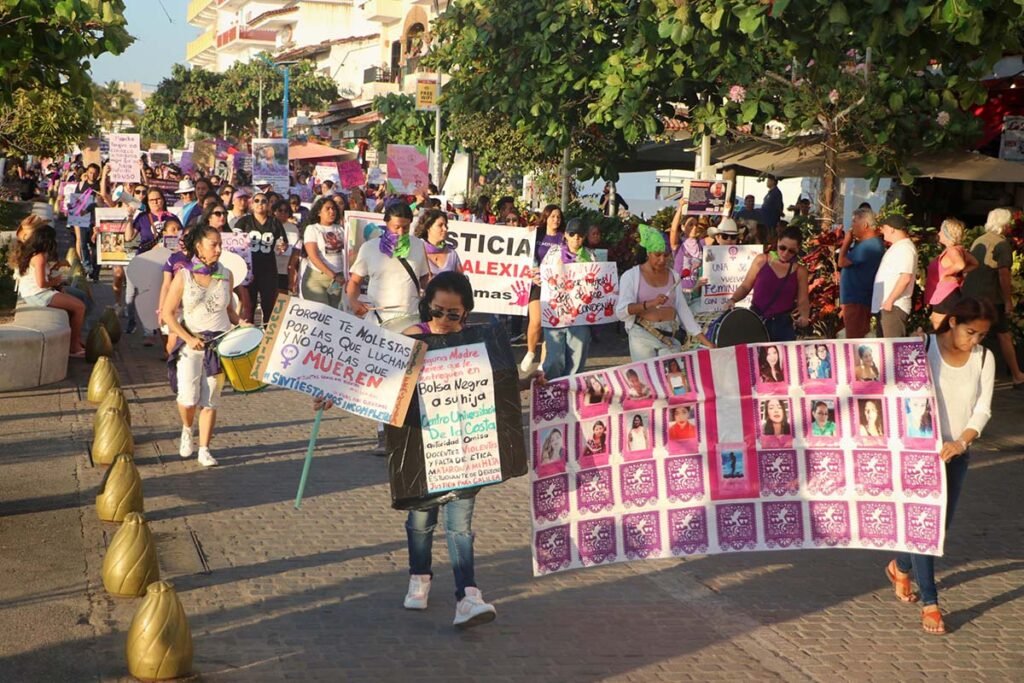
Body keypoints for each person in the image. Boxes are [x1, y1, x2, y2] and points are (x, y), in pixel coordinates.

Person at [396, 271, 541, 628]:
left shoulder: (480, 343)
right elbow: (375, 384)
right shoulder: (412, 339)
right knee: (421, 519)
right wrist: (332, 395)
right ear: (427, 306)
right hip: (422, 447)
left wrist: (527, 382)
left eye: (453, 314)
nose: (443, 320)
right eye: (437, 311)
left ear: (467, 312)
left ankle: (468, 596)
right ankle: (420, 575)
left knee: (460, 525)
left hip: (468, 449)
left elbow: (501, 385)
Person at [886, 297, 996, 635]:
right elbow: (889, 383)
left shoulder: (984, 358)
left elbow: (983, 409)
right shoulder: (924, 346)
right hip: (920, 455)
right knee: (925, 529)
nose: (974, 340)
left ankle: (900, 565)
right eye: (970, 332)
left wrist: (961, 442)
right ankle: (931, 604)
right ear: (952, 323)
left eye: (981, 335)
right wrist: (908, 349)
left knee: (939, 529)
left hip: (957, 453)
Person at [161, 225, 244, 468]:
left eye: (220, 244)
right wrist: (186, 338)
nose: (219, 249)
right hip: (192, 344)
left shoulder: (225, 274)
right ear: (199, 247)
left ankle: (205, 449)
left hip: (218, 346)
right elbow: (168, 313)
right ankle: (187, 429)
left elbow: (229, 311)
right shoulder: (184, 275)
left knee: (210, 400)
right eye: (213, 245)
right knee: (188, 398)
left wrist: (242, 323)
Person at [617, 224, 712, 361]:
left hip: (669, 335)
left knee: (673, 379)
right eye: (657, 255)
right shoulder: (631, 276)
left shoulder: (674, 276)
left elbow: (683, 310)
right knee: (646, 380)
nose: (662, 260)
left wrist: (706, 342)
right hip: (642, 334)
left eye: (666, 255)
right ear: (648, 253)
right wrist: (650, 303)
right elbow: (621, 311)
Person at [962, 208, 1024, 387]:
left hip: (972, 294)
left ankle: (966, 371)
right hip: (991, 298)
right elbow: (1003, 274)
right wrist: (1008, 301)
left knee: (972, 332)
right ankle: (1017, 374)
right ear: (1004, 225)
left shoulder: (978, 240)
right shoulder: (1002, 244)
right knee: (1004, 334)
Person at [538, 218, 597, 378]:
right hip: (555, 313)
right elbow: (543, 274)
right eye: (572, 233)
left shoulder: (591, 256)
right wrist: (538, 277)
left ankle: (571, 389)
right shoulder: (553, 253)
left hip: (580, 315)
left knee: (577, 360)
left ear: (584, 236)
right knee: (554, 360)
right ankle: (552, 387)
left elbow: (597, 285)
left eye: (580, 234)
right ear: (565, 235)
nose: (576, 237)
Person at [14, 225, 86, 357]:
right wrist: (57, 280)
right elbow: (41, 283)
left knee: (74, 305)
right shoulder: (40, 257)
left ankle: (75, 340)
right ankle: (74, 346)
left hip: (33, 292)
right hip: (37, 294)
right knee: (79, 307)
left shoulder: (35, 254)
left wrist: (54, 272)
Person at [728, 226, 810, 341]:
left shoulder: (800, 271)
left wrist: (804, 316)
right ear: (778, 242)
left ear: (798, 250)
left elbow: (803, 300)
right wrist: (733, 299)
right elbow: (746, 286)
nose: (785, 253)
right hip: (757, 320)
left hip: (783, 325)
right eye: (782, 248)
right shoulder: (761, 260)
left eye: (791, 251)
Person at [520, 204, 565, 373]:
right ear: (546, 217)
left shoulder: (563, 238)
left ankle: (543, 362)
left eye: (558, 217)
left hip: (555, 285)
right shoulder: (536, 234)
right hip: (536, 284)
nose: (556, 220)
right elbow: (523, 251)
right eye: (553, 216)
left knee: (549, 325)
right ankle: (531, 351)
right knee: (536, 321)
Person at [234, 190, 288, 324]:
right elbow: (233, 242)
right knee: (249, 306)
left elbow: (283, 242)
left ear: (269, 205)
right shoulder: (244, 222)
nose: (260, 204)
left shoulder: (275, 222)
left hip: (268, 269)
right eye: (256, 201)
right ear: (251, 205)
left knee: (269, 306)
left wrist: (282, 246)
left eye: (264, 201)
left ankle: (267, 338)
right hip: (248, 269)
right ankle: (248, 338)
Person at [839, 207, 885, 339]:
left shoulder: (870, 245)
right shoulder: (865, 244)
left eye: (854, 222)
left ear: (865, 225)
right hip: (854, 300)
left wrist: (846, 242)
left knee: (854, 340)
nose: (851, 226)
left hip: (858, 300)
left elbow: (841, 261)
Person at [924, 218, 977, 331]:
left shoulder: (952, 251)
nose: (939, 233)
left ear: (948, 233)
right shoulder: (959, 249)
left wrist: (946, 273)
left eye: (941, 231)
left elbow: (960, 264)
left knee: (940, 329)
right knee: (948, 329)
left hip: (944, 295)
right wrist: (959, 274)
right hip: (949, 293)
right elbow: (975, 263)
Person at [872, 215, 918, 338]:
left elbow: (905, 277)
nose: (882, 230)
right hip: (887, 306)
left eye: (884, 227)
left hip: (894, 306)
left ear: (892, 229)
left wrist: (890, 300)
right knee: (884, 347)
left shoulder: (905, 248)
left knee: (892, 347)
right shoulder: (898, 247)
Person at [300, 197, 346, 308]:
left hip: (337, 282)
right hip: (316, 279)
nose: (332, 211)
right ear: (319, 212)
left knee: (333, 314)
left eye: (334, 208)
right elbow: (314, 257)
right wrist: (333, 275)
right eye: (328, 209)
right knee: (322, 311)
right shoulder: (312, 229)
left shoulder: (340, 229)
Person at [72, 162, 103, 280]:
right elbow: (75, 202)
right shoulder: (80, 185)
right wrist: (74, 220)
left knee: (96, 246)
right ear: (87, 172)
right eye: (90, 172)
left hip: (96, 219)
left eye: (95, 173)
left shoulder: (100, 186)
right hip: (82, 219)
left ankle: (95, 272)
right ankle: (87, 268)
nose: (92, 175)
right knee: (83, 243)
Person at [415, 209, 463, 277]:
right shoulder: (417, 249)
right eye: (440, 225)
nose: (445, 229)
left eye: (445, 225)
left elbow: (461, 280)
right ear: (428, 227)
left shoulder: (452, 254)